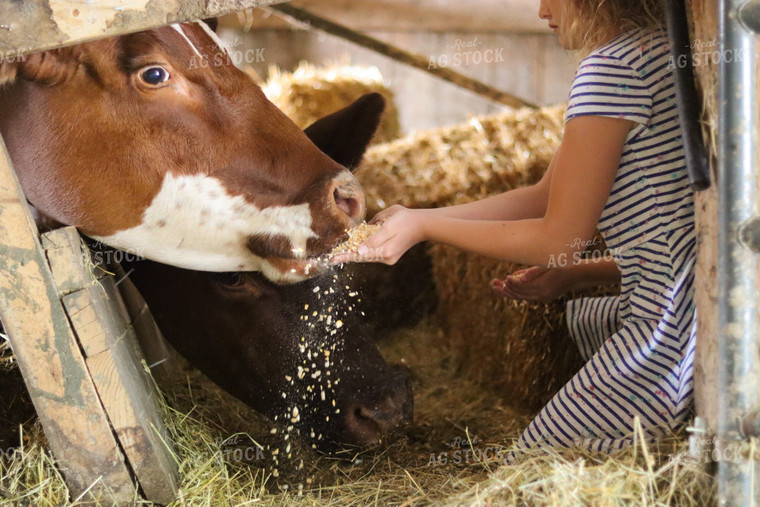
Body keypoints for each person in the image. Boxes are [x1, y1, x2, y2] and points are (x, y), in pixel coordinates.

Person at [332, 0, 697, 459]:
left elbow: (558, 240)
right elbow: (544, 195)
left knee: (531, 468)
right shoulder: (657, 50)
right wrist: (419, 217)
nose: (542, 10)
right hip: (692, 300)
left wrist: (424, 227)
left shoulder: (609, 71)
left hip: (670, 330)